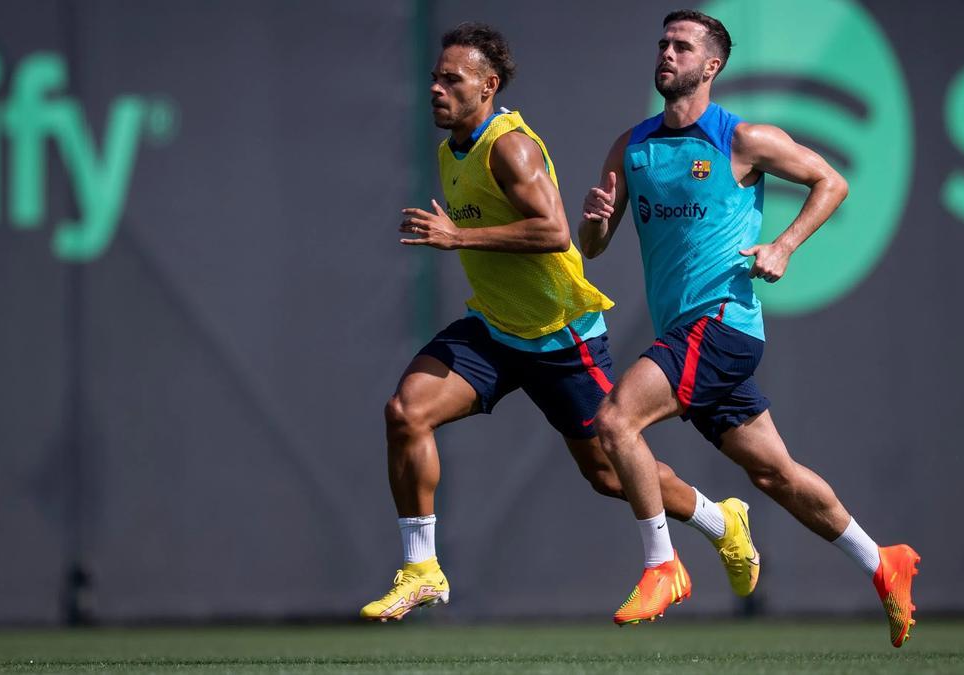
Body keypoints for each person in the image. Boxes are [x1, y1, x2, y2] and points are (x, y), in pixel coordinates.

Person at [360, 22, 760, 623]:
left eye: (453, 79)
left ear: (488, 86)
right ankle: (422, 568)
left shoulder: (510, 146)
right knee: (405, 412)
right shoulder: (451, 150)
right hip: (496, 330)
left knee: (608, 472)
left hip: (561, 334)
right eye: (435, 78)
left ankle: (719, 517)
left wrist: (457, 236)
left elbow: (552, 232)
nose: (437, 89)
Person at [578, 10, 920, 645]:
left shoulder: (742, 139)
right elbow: (592, 246)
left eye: (682, 46)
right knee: (776, 476)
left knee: (615, 421)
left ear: (712, 66)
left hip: (722, 325)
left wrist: (785, 245)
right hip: (690, 334)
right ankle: (884, 563)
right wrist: (595, 221)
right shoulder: (634, 146)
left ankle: (662, 565)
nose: (667, 53)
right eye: (663, 43)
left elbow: (831, 180)